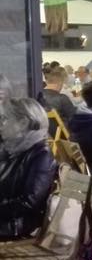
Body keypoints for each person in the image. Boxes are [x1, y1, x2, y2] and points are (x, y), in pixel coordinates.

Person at [0, 98, 58, 240]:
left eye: (5, 119)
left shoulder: (41, 154)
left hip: (15, 226)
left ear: (23, 123)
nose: (1, 124)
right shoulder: (11, 147)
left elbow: (29, 202)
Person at [37, 66, 76, 132]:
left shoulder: (37, 96)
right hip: (60, 134)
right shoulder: (62, 98)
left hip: (43, 133)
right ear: (60, 83)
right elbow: (74, 119)